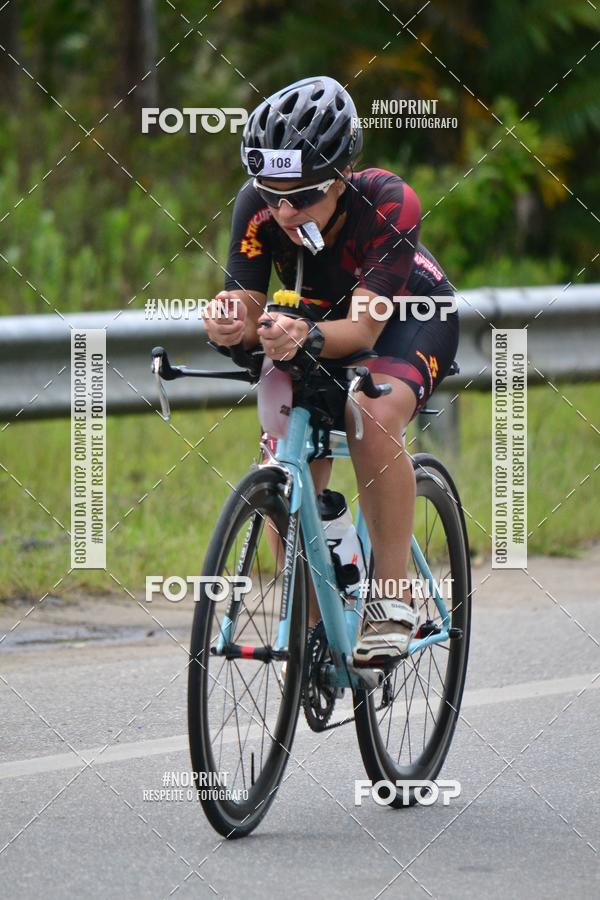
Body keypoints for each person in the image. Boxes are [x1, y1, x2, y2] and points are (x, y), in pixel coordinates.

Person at [203, 75, 458, 666]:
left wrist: (306, 335)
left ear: (342, 177)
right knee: (282, 459)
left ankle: (392, 599)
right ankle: (321, 625)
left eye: (303, 195)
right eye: (272, 194)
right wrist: (227, 322)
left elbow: (364, 333)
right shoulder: (258, 205)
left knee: (368, 411)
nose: (284, 210)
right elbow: (243, 301)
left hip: (407, 317)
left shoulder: (391, 203)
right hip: (312, 326)